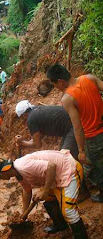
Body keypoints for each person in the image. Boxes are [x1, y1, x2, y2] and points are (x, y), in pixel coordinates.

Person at [0, 150, 88, 238]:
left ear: (1, 174)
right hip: (56, 178)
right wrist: (24, 214)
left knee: (68, 211)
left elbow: (51, 166)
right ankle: (61, 225)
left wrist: (44, 190)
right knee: (48, 200)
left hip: (68, 170)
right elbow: (27, 191)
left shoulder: (23, 166)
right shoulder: (17, 173)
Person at [47, 63, 103, 202]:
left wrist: (81, 150)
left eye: (55, 85)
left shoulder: (68, 98)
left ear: (60, 81)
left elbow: (77, 127)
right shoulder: (90, 78)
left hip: (93, 137)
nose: (57, 89)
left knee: (93, 167)